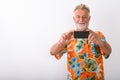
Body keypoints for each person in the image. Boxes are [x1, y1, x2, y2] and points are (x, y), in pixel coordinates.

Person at [50, 4, 112, 80]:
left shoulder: (97, 35)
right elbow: (52, 52)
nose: (81, 20)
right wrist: (61, 43)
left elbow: (108, 52)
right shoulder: (68, 37)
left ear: (89, 18)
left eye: (84, 17)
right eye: (78, 17)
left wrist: (100, 42)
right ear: (74, 19)